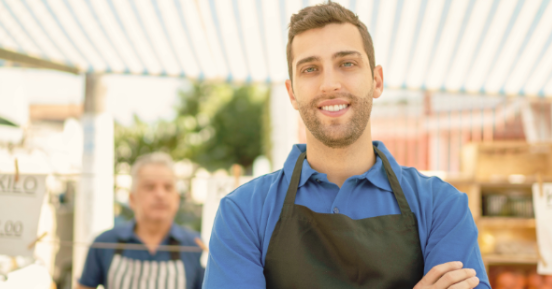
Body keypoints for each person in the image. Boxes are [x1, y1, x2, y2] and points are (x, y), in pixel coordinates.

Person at [203, 2, 490, 289]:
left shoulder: (441, 206)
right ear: (292, 93)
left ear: (376, 80)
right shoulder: (243, 212)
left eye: (347, 64)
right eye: (310, 69)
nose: (330, 84)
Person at [78, 153, 204, 289]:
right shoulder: (104, 242)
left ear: (177, 199)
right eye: (150, 187)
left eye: (168, 187)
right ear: (132, 199)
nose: (160, 194)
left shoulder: (195, 245)